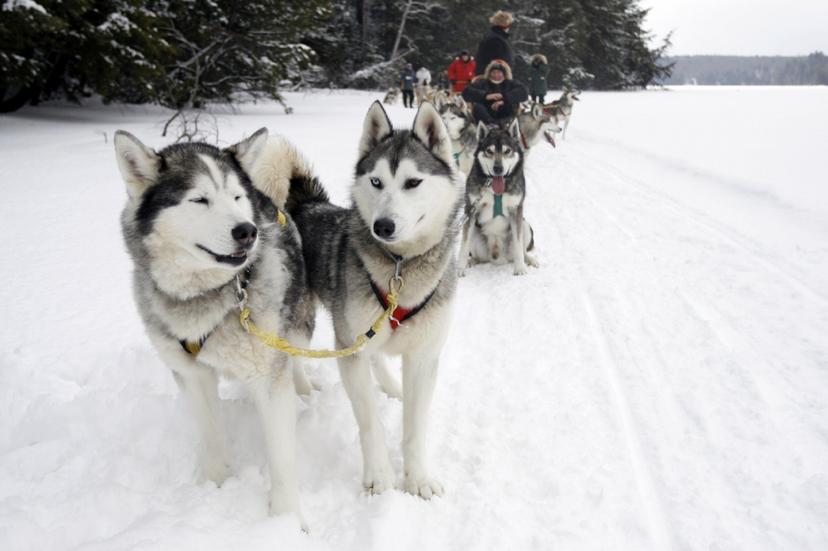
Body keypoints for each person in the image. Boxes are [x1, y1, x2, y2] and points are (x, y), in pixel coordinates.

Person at [462, 59, 528, 126]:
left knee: (512, 105)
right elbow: (466, 92)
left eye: (499, 72)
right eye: (493, 72)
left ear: (504, 73)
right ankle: (491, 124)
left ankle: (504, 125)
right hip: (485, 116)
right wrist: (486, 96)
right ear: (489, 73)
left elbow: (523, 92)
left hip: (506, 116)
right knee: (478, 107)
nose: (496, 75)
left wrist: (503, 98)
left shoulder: (511, 83)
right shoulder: (482, 83)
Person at [474, 10, 514, 77]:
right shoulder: (496, 40)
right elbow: (497, 62)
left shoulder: (493, 37)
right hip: (494, 79)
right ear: (506, 25)